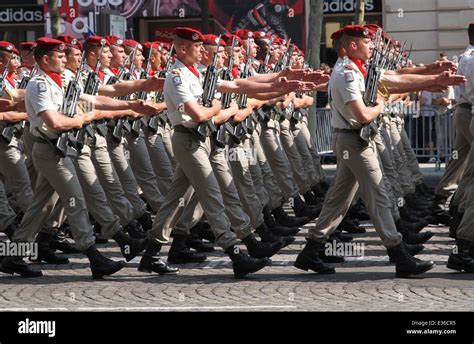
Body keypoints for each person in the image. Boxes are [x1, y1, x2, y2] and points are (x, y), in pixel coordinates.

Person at [294, 25, 435, 278]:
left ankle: (310, 251)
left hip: (352, 140)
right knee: (379, 194)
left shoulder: (358, 70)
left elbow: (396, 77)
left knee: (339, 199)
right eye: (366, 42)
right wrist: (380, 104)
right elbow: (361, 115)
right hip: (354, 141)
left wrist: (433, 78)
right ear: (350, 47)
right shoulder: (346, 73)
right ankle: (399, 253)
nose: (371, 46)